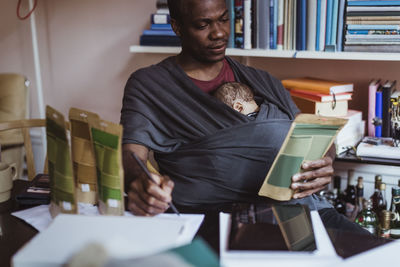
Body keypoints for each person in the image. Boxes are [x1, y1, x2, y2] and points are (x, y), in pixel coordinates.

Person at [121, 0, 372, 246]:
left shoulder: (262, 80)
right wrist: (140, 183)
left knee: (380, 253)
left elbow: (311, 133)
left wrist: (324, 162)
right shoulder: (150, 85)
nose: (219, 33)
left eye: (224, 19)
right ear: (177, 27)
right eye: (203, 24)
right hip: (211, 217)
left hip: (297, 211)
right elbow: (132, 155)